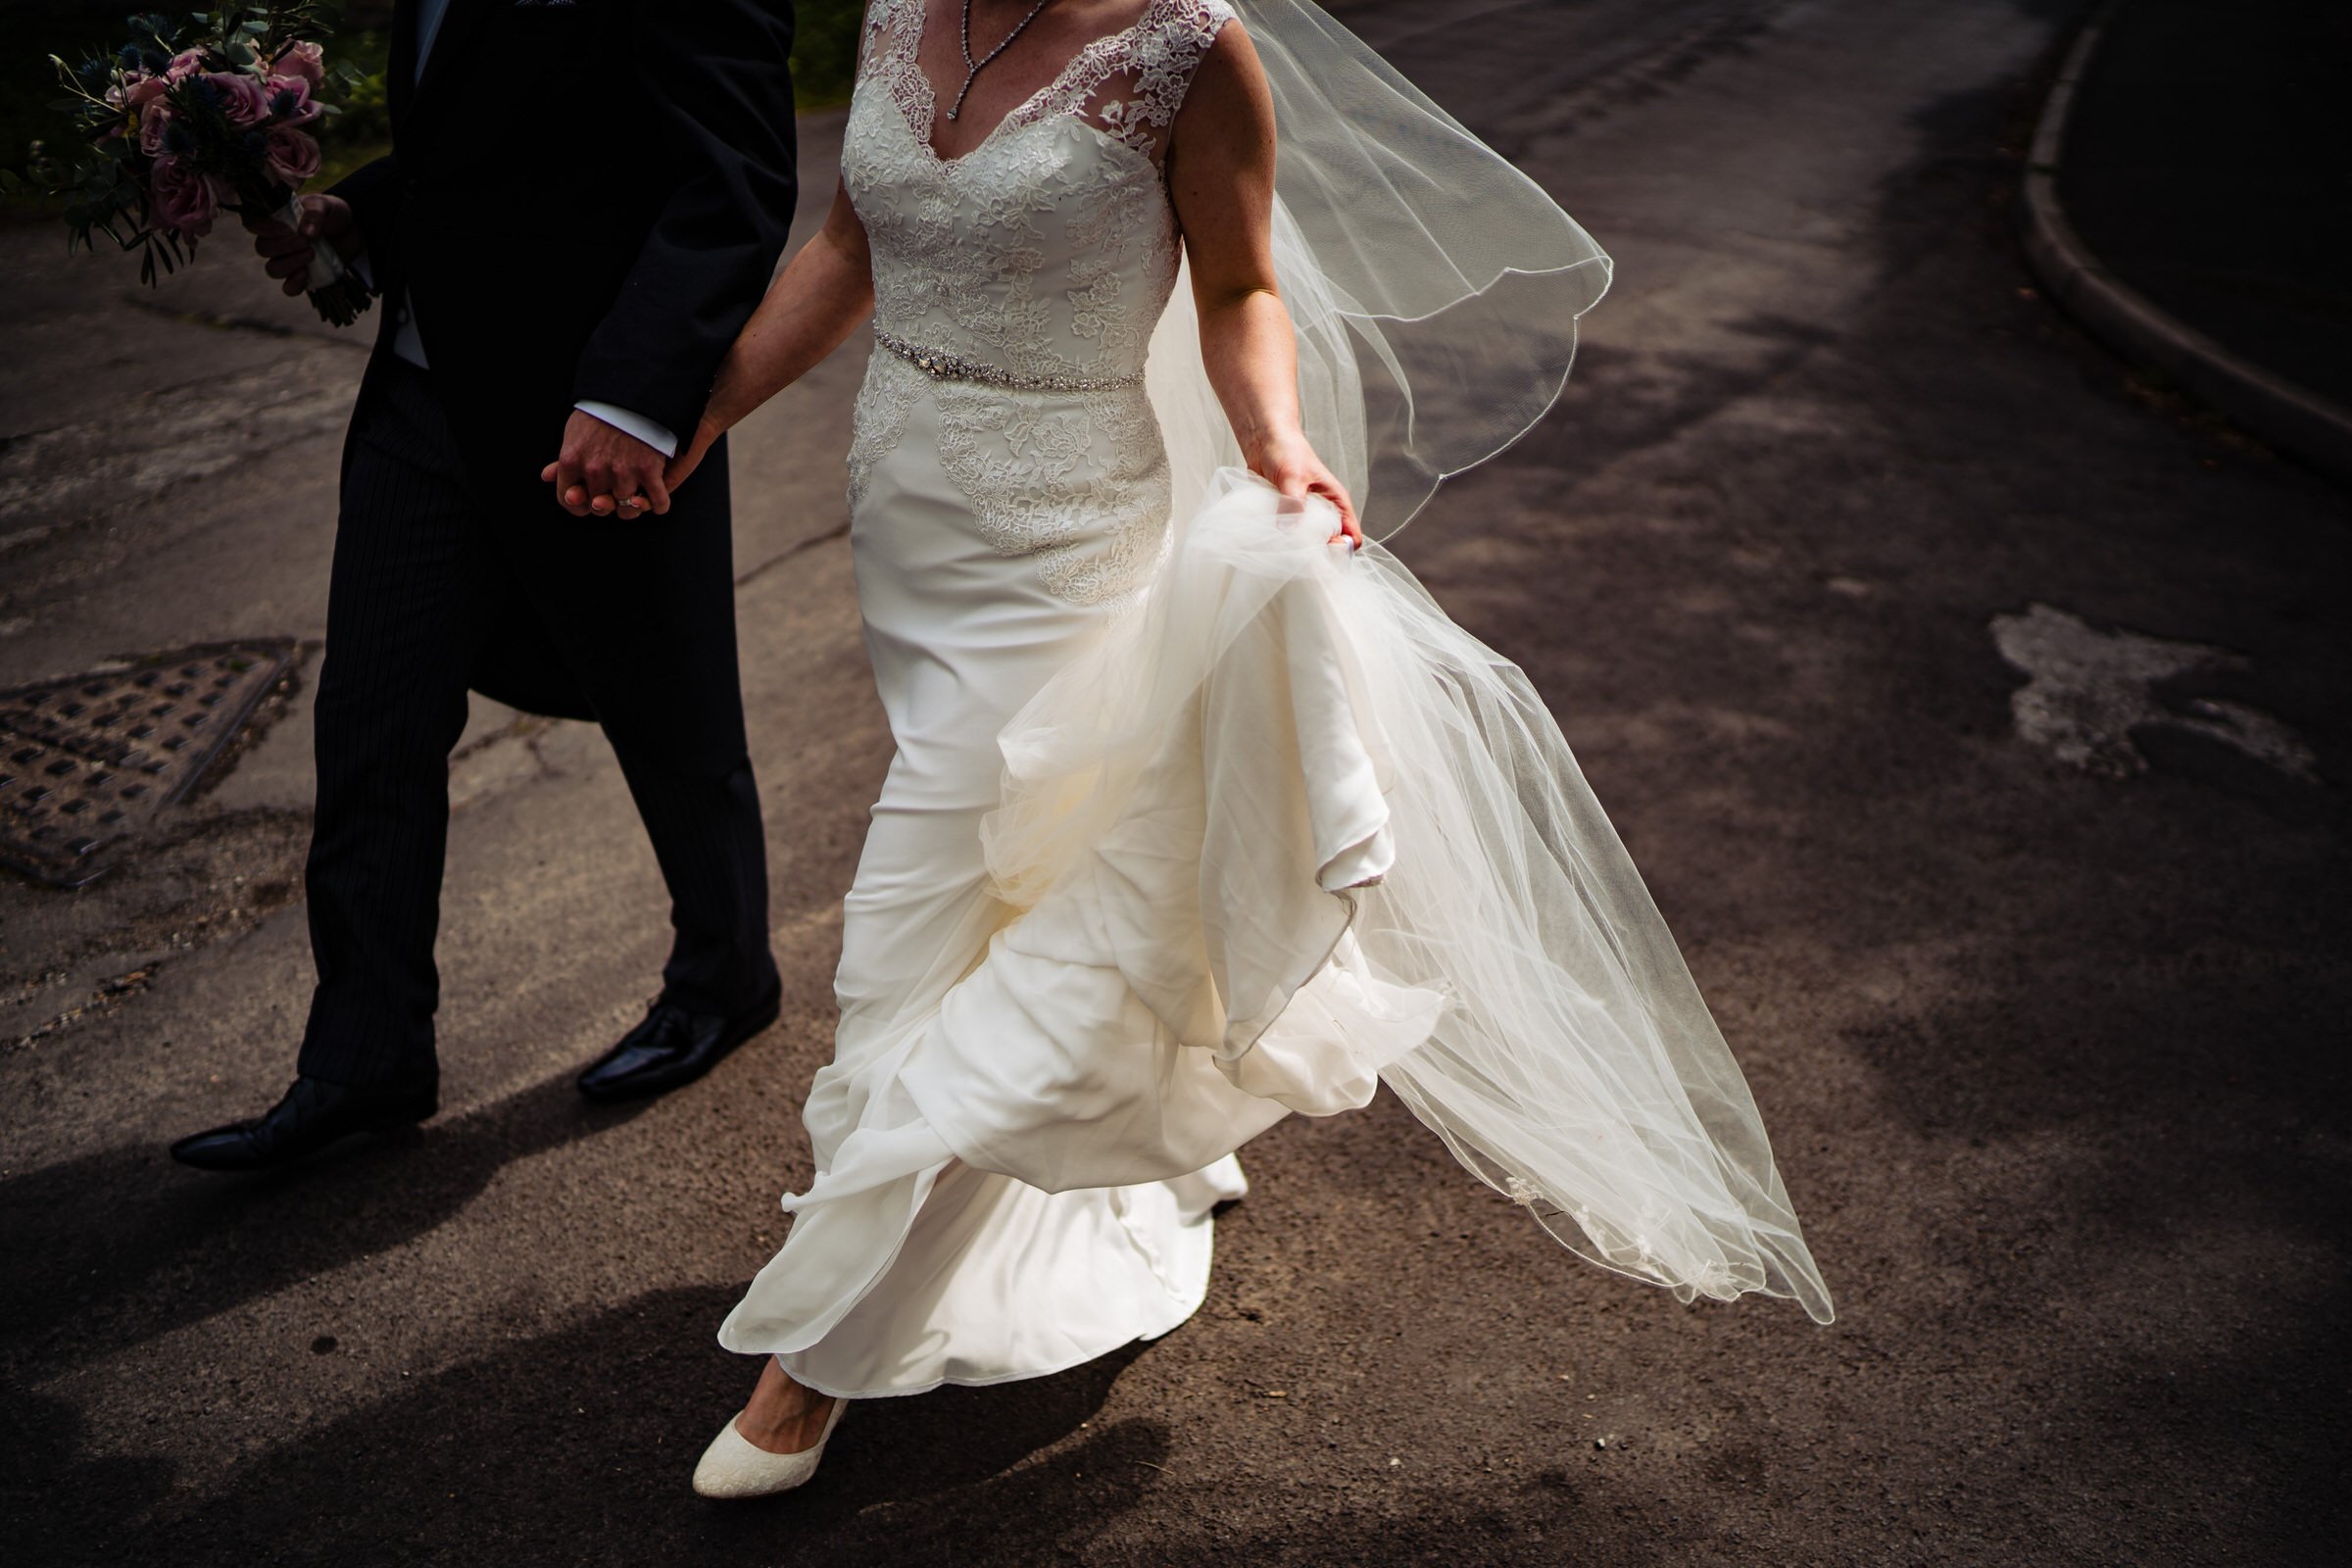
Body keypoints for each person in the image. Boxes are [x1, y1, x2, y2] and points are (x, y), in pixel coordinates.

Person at [573, 0, 1835, 1497]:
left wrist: (1276, 445)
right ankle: (1146, 1127)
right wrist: (698, 410)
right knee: (1007, 900)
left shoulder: (1187, 46)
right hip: (909, 534)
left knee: (969, 933)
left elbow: (1240, 286)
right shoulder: (900, 12)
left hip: (1068, 551)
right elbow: (850, 248)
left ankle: (815, 1362)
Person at [170, 0, 803, 1174]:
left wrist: (632, 398)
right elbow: (483, 133)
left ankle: (725, 978)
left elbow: (734, 179)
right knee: (372, 717)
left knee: (668, 706)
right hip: (422, 396)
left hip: (592, 406)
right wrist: (365, 212)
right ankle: (365, 1052)